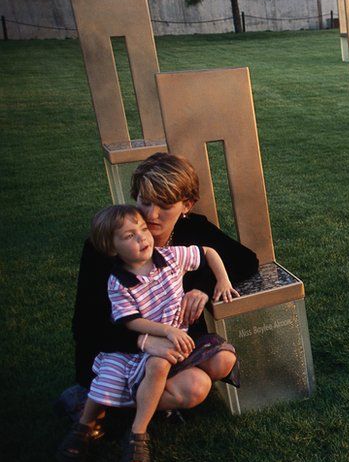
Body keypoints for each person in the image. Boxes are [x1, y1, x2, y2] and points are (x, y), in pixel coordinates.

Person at [64, 153, 258, 446]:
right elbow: (86, 326)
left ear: (186, 206)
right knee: (195, 387)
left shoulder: (194, 230)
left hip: (171, 352)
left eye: (164, 205)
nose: (151, 215)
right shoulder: (103, 248)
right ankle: (99, 399)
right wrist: (142, 342)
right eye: (144, 201)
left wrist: (204, 286)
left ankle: (110, 405)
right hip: (118, 353)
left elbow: (246, 261)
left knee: (219, 364)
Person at [59, 205, 239, 462]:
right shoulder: (117, 282)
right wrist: (165, 331)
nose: (143, 237)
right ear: (112, 247)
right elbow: (130, 321)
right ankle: (92, 428)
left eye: (143, 230)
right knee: (108, 378)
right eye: (130, 236)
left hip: (174, 338)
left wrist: (222, 280)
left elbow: (208, 253)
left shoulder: (170, 257)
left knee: (218, 357)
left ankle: (133, 424)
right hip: (144, 343)